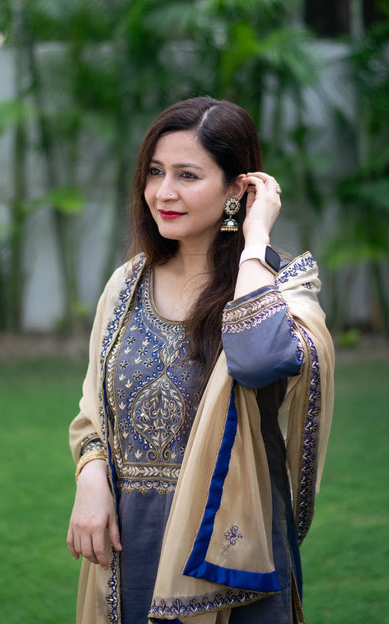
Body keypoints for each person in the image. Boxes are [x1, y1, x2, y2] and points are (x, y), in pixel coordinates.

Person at [67, 96, 334, 624]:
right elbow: (92, 407)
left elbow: (257, 358)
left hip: (229, 554)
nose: (163, 193)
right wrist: (91, 476)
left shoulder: (284, 290)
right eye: (155, 172)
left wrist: (254, 239)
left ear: (238, 189)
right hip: (128, 540)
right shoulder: (126, 286)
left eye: (188, 175)